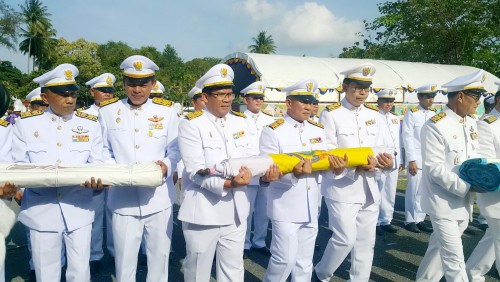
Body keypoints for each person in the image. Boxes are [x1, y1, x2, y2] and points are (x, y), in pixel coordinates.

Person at [11, 63, 105, 282]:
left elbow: (97, 162)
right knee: (46, 273)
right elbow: (19, 163)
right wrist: (19, 189)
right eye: (63, 95)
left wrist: (98, 182)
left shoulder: (90, 125)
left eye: (72, 94)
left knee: (80, 273)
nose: (70, 100)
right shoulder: (26, 125)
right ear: (45, 98)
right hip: (41, 209)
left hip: (79, 207)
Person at [98, 55, 180, 282]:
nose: (137, 89)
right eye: (131, 83)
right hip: (122, 200)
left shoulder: (168, 111)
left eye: (143, 84)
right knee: (124, 263)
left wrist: (168, 165)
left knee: (159, 260)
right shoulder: (107, 111)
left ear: (153, 84)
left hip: (158, 199)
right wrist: (115, 172)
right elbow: (103, 150)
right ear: (123, 84)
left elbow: (175, 149)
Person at [314, 63, 394, 282]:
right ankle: (321, 274)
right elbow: (328, 152)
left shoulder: (374, 116)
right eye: (357, 87)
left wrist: (383, 163)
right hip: (342, 187)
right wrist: (354, 166)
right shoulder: (331, 115)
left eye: (366, 88)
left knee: (366, 242)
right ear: (345, 87)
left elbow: (384, 148)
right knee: (345, 239)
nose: (362, 93)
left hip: (369, 185)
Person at [261, 78, 346, 282]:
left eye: (311, 101)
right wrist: (294, 174)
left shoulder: (317, 130)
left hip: (311, 205)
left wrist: (337, 170)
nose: (309, 106)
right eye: (303, 101)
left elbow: (323, 165)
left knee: (304, 262)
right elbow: (269, 171)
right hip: (285, 205)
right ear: (289, 103)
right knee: (284, 260)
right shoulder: (273, 131)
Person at [178, 64, 256, 282]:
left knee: (233, 271)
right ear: (205, 96)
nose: (227, 99)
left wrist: (261, 173)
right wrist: (228, 184)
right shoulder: (191, 125)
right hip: (204, 212)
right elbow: (195, 170)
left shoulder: (243, 122)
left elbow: (252, 159)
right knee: (197, 273)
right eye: (220, 94)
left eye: (229, 94)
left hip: (236, 211)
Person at [416, 70, 484, 281]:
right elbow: (434, 168)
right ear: (461, 96)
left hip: (463, 204)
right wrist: (467, 187)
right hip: (442, 202)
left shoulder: (471, 122)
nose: (478, 102)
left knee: (437, 252)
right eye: (475, 97)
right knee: (454, 259)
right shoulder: (436, 125)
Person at [81, 73, 116, 274]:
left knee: (114, 214)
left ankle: (113, 251)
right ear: (92, 91)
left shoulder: (117, 112)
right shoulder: (84, 115)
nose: (108, 94)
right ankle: (94, 254)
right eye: (103, 90)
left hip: (112, 170)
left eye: (110, 90)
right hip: (93, 172)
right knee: (93, 215)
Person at [466, 82, 500, 281]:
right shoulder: (487, 124)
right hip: (496, 191)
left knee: (493, 236)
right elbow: (488, 161)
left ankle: (473, 272)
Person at [241, 81, 274, 258]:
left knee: (264, 209)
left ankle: (259, 241)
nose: (259, 101)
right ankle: (244, 243)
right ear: (246, 99)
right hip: (249, 170)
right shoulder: (238, 120)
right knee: (246, 210)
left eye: (261, 98)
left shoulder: (270, 120)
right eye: (255, 98)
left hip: (266, 170)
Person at [402, 84, 437, 233]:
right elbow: (407, 137)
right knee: (413, 190)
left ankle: (420, 219)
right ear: (419, 98)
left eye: (432, 97)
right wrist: (411, 159)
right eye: (428, 97)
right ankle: (409, 219)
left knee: (424, 191)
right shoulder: (412, 114)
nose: (431, 100)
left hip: (429, 158)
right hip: (416, 158)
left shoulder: (434, 114)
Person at [375, 89, 403, 235]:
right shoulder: (373, 116)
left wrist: (401, 160)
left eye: (391, 101)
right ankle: (375, 222)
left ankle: (386, 220)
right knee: (377, 191)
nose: (389, 104)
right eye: (385, 101)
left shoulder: (394, 118)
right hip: (380, 159)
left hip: (394, 159)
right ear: (378, 101)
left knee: (390, 192)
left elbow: (398, 140)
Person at [175, 86, 206, 191]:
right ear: (194, 102)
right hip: (191, 173)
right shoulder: (185, 122)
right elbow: (179, 149)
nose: (205, 102)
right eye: (202, 100)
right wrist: (179, 174)